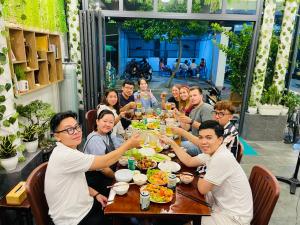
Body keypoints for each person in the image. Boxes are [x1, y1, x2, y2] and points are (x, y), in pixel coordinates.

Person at [45, 111, 140, 225]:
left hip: (85, 204)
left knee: (121, 208)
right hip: (74, 218)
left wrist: (96, 194)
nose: (76, 132)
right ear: (57, 136)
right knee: (121, 211)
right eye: (69, 129)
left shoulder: (69, 150)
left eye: (76, 127)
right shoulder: (65, 155)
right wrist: (129, 144)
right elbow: (105, 162)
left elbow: (77, 182)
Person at [159, 120, 253, 225]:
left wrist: (202, 174)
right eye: (200, 137)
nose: (203, 142)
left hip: (233, 218)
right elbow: (189, 161)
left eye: (209, 137)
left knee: (180, 216)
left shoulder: (222, 158)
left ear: (220, 139)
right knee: (180, 208)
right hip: (219, 204)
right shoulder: (214, 152)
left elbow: (203, 189)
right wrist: (172, 143)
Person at [84, 110, 124, 197]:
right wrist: (116, 178)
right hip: (97, 180)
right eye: (105, 121)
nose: (108, 124)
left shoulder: (106, 134)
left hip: (108, 171)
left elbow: (116, 148)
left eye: (111, 122)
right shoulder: (95, 140)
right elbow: (103, 168)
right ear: (97, 121)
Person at [177, 86, 213, 156]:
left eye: (195, 95)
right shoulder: (193, 109)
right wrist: (180, 117)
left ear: (201, 96)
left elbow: (209, 130)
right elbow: (186, 128)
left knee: (176, 144)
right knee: (175, 137)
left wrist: (191, 121)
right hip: (194, 139)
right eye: (190, 96)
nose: (192, 98)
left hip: (203, 145)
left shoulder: (206, 108)